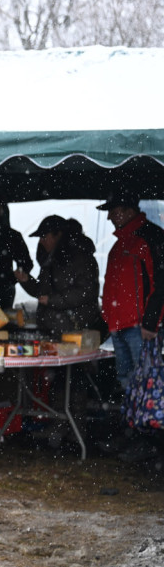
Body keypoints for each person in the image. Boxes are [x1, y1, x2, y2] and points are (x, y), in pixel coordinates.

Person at [98, 188, 164, 463]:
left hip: (140, 327)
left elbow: (160, 281)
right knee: (130, 384)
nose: (111, 217)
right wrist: (108, 323)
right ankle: (136, 437)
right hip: (121, 326)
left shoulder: (150, 237)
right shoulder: (121, 242)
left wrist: (151, 321)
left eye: (113, 212)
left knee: (148, 385)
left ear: (125, 210)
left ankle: (151, 442)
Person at [13, 215, 103, 339]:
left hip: (75, 333)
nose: (41, 241)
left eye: (44, 237)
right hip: (53, 329)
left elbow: (86, 291)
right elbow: (43, 293)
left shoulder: (82, 258)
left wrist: (52, 300)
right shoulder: (51, 260)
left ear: (59, 235)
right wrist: (27, 281)